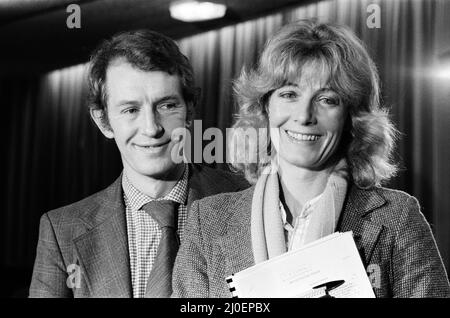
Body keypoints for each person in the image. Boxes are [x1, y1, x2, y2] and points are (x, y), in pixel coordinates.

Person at [172, 20, 450, 298]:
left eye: (327, 99)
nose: (304, 115)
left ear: (351, 118)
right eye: (289, 94)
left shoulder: (398, 217)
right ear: (265, 107)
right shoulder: (207, 221)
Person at [29, 30, 249, 298]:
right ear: (103, 121)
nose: (151, 128)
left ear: (190, 110)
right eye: (131, 110)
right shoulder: (61, 231)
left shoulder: (247, 200)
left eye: (167, 106)